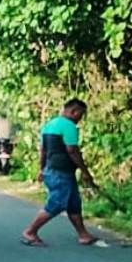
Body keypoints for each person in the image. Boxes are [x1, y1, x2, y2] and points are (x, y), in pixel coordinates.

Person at [21, 98, 97, 247]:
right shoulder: (69, 126)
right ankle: (30, 231)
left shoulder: (49, 124)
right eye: (80, 115)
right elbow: (72, 150)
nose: (80, 119)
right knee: (57, 203)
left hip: (52, 170)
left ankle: (83, 235)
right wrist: (85, 171)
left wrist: (42, 169)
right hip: (61, 172)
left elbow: (43, 150)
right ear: (73, 111)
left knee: (73, 203)